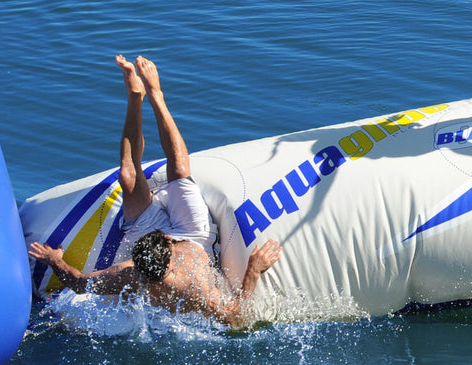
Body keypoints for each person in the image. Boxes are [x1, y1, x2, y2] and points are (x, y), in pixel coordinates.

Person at [28, 56, 282, 329]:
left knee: (127, 174)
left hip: (172, 239)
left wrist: (54, 260)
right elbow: (238, 319)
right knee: (178, 169)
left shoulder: (150, 278)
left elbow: (78, 282)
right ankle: (154, 96)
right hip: (195, 237)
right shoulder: (173, 283)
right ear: (169, 252)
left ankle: (139, 97)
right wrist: (254, 270)